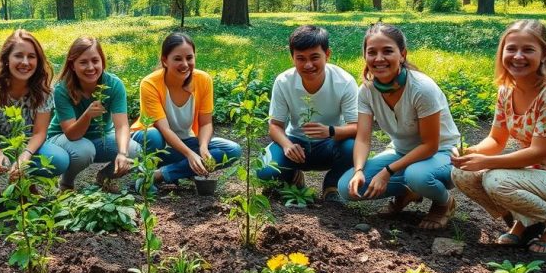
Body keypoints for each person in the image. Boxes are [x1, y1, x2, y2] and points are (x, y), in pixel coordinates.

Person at [451, 20, 546, 256]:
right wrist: (470, 152)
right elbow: (496, 141)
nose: (518, 56)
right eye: (511, 49)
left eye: (528, 49)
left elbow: (538, 152)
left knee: (496, 180)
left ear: (544, 54)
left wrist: (485, 162)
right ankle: (527, 222)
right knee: (462, 173)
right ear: (502, 52)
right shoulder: (506, 90)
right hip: (533, 177)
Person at [338, 23, 460, 230]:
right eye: (372, 52)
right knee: (345, 187)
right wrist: (359, 170)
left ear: (402, 54)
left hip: (442, 153)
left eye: (387, 51)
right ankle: (408, 192)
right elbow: (363, 137)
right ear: (365, 56)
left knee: (418, 176)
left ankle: (444, 202)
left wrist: (386, 172)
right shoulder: (366, 90)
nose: (379, 59)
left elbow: (430, 145)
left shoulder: (422, 89)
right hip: (402, 152)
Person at [260, 25, 357, 201]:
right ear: (292, 58)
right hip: (296, 144)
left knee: (353, 147)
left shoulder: (345, 81)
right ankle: (293, 178)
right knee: (264, 171)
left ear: (327, 55)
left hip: (330, 143)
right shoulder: (284, 82)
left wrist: (330, 131)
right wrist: (287, 145)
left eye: (315, 57)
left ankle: (332, 185)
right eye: (301, 58)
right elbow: (275, 126)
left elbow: (357, 126)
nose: (308, 65)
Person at [131, 33, 241, 187]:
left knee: (232, 149)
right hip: (152, 145)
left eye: (189, 58)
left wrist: (202, 148)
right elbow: (164, 129)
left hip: (183, 142)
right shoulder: (150, 84)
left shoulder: (203, 80)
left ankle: (161, 174)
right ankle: (150, 170)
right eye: (177, 59)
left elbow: (205, 123)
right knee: (154, 136)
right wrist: (190, 154)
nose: (185, 64)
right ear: (165, 60)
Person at [0, 30, 70, 200]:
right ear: (7, 59)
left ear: (38, 60)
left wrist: (25, 156)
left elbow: (40, 132)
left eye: (31, 56)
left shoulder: (43, 88)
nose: (25, 62)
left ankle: (27, 180)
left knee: (60, 160)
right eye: (18, 56)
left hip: (28, 143)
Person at [47, 37, 141, 192]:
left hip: (100, 137)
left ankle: (104, 178)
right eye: (83, 62)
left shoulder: (114, 84)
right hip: (63, 139)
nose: (90, 67)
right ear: (72, 65)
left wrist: (122, 153)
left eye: (95, 61)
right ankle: (66, 183)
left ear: (102, 62)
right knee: (84, 150)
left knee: (134, 151)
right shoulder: (62, 89)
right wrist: (87, 115)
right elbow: (71, 134)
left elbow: (122, 126)